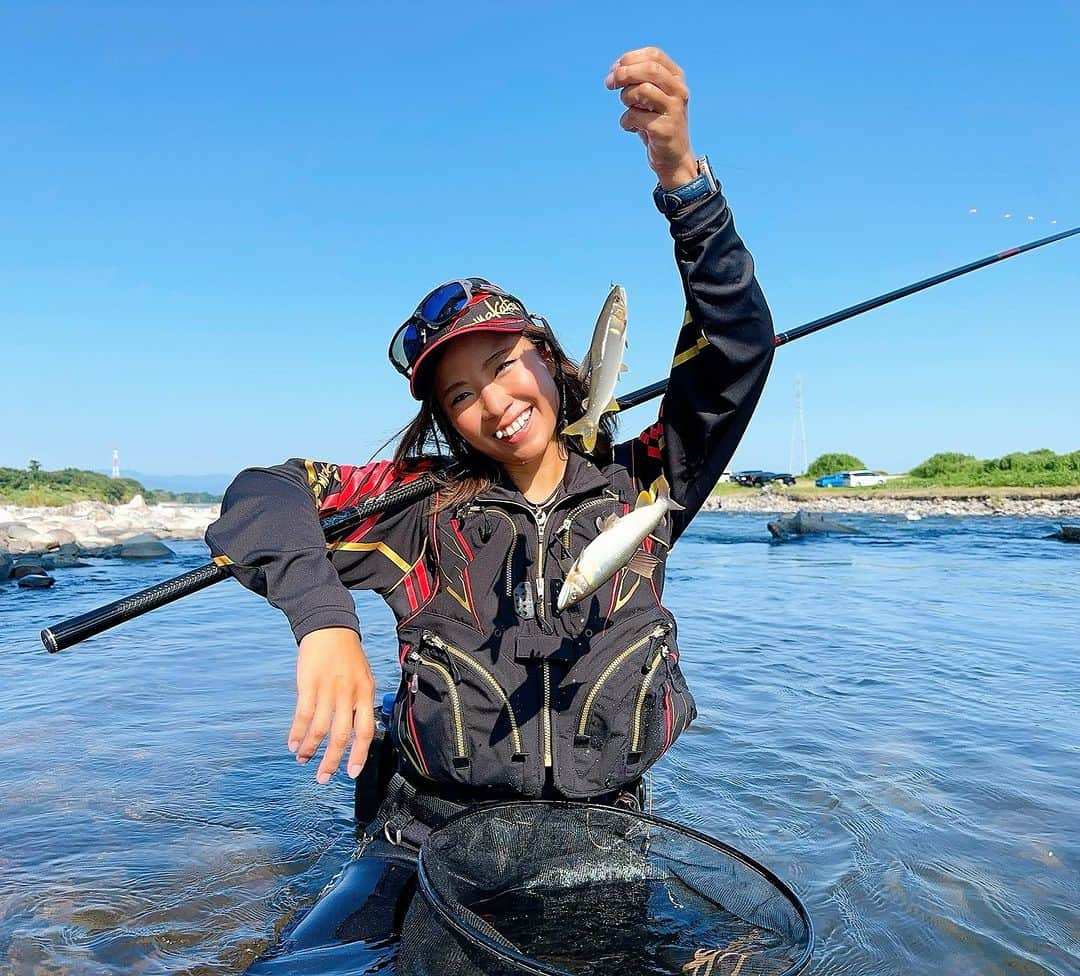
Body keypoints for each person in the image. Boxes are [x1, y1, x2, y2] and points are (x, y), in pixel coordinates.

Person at [206, 47, 773, 821]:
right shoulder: (419, 507)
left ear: (549, 358)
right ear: (446, 419)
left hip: (604, 826)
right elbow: (262, 494)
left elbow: (736, 345)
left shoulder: (644, 481)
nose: (495, 403)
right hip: (430, 831)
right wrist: (324, 622)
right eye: (462, 395)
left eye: (507, 365)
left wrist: (682, 180)